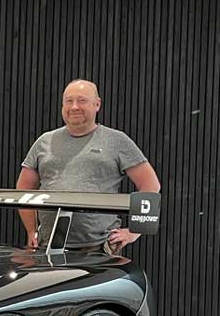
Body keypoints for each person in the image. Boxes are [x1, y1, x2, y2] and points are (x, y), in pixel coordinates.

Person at [17, 79, 161, 253]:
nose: (74, 107)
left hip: (99, 248)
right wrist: (31, 230)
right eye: (69, 101)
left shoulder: (117, 141)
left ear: (97, 104)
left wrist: (133, 232)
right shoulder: (44, 141)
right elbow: (24, 188)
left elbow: (150, 185)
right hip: (47, 246)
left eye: (82, 100)